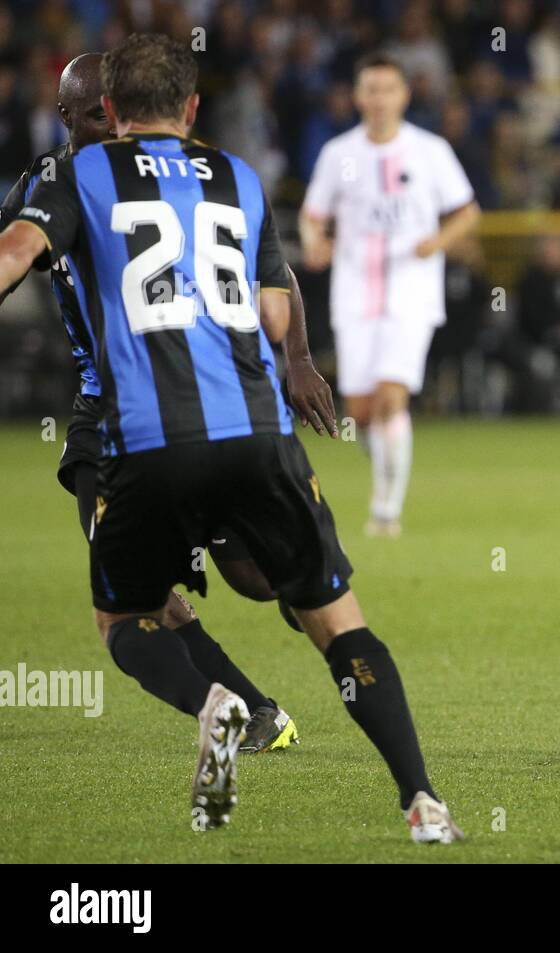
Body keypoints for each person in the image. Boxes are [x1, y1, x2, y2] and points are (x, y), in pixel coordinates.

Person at [0, 34, 462, 842]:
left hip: (138, 431)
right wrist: (300, 363)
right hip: (254, 425)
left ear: (107, 111)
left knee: (132, 616)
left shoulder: (70, 174)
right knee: (336, 619)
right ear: (192, 107)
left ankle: (216, 701)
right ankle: (421, 800)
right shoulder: (236, 175)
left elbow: (14, 252)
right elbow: (275, 300)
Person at [0, 52, 339, 753]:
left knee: (252, 578)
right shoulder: (54, 184)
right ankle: (248, 710)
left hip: (206, 403)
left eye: (119, 111)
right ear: (67, 119)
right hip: (111, 417)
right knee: (137, 593)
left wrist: (299, 358)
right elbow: (11, 251)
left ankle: (294, 580)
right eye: (98, 116)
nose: (116, 127)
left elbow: (268, 265)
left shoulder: (182, 176)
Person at [300, 53, 481, 537]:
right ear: (359, 97)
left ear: (404, 95)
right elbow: (313, 213)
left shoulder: (430, 151)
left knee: (390, 396)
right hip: (355, 290)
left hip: (411, 291)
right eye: (371, 90)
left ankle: (386, 509)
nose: (379, 99)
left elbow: (467, 211)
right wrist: (314, 240)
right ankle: (383, 471)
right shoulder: (339, 153)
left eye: (388, 89)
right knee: (358, 411)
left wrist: (435, 243)